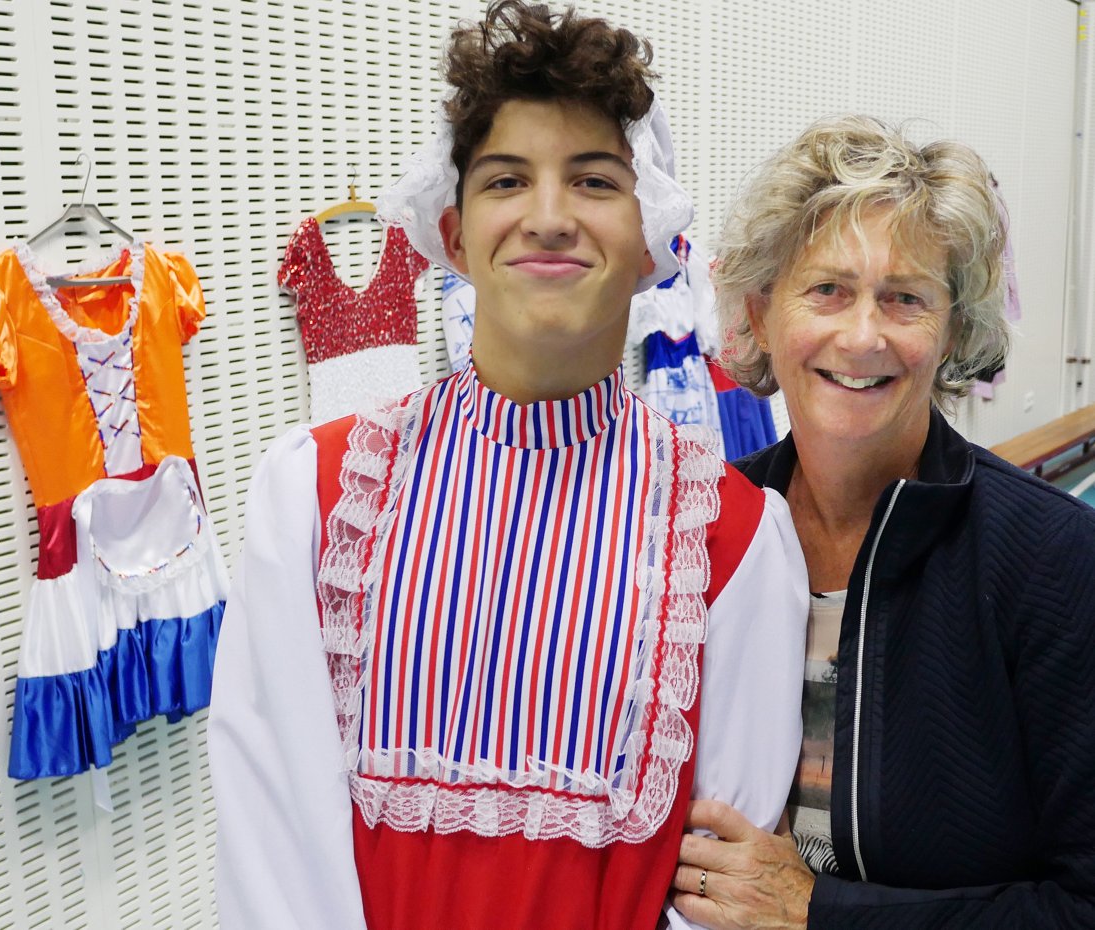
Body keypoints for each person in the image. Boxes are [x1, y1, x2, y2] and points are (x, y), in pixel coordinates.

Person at [207, 3, 808, 928]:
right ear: (451, 236)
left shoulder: (728, 540)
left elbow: (720, 890)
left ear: (652, 243)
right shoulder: (320, 499)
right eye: (506, 180)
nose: (550, 217)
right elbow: (272, 829)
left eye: (595, 180)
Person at [670, 114, 1095, 928]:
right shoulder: (704, 533)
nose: (862, 336)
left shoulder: (1051, 560)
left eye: (905, 298)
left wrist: (818, 913)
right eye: (826, 289)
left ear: (952, 333)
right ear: (760, 315)